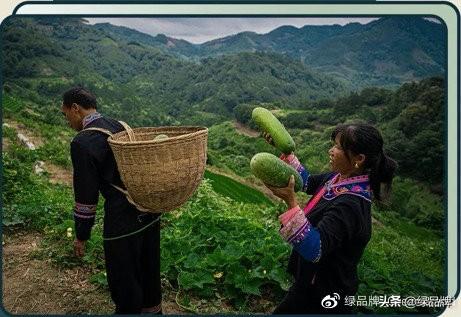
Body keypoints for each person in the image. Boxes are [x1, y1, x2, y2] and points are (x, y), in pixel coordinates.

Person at [263, 123, 397, 314]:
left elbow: (315, 248)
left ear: (359, 158)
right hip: (310, 283)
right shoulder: (338, 177)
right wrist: (284, 151)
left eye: (338, 147)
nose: (331, 151)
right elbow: (307, 183)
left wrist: (291, 202)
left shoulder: (350, 204)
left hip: (324, 292)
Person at [61, 86, 162, 314]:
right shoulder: (119, 125)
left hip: (122, 217)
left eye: (65, 112)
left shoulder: (83, 142)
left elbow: (86, 196)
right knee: (149, 269)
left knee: (123, 275)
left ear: (75, 109)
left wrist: (81, 234)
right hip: (148, 207)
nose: (66, 119)